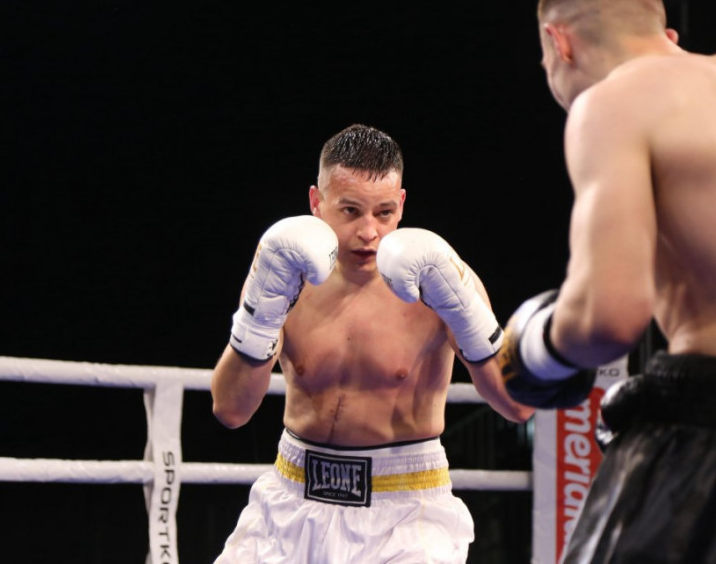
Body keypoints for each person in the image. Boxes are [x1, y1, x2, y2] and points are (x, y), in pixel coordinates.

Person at [496, 0, 716, 561]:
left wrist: (534, 347)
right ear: (666, 35)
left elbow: (609, 317)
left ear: (558, 41)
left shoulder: (614, 101)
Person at [211, 123, 534, 563]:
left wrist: (467, 314)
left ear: (401, 204)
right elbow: (230, 410)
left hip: (406, 513)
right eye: (350, 211)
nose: (369, 232)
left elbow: (517, 407)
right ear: (316, 203)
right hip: (290, 500)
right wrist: (258, 318)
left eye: (383, 212)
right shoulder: (284, 272)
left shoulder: (441, 278)